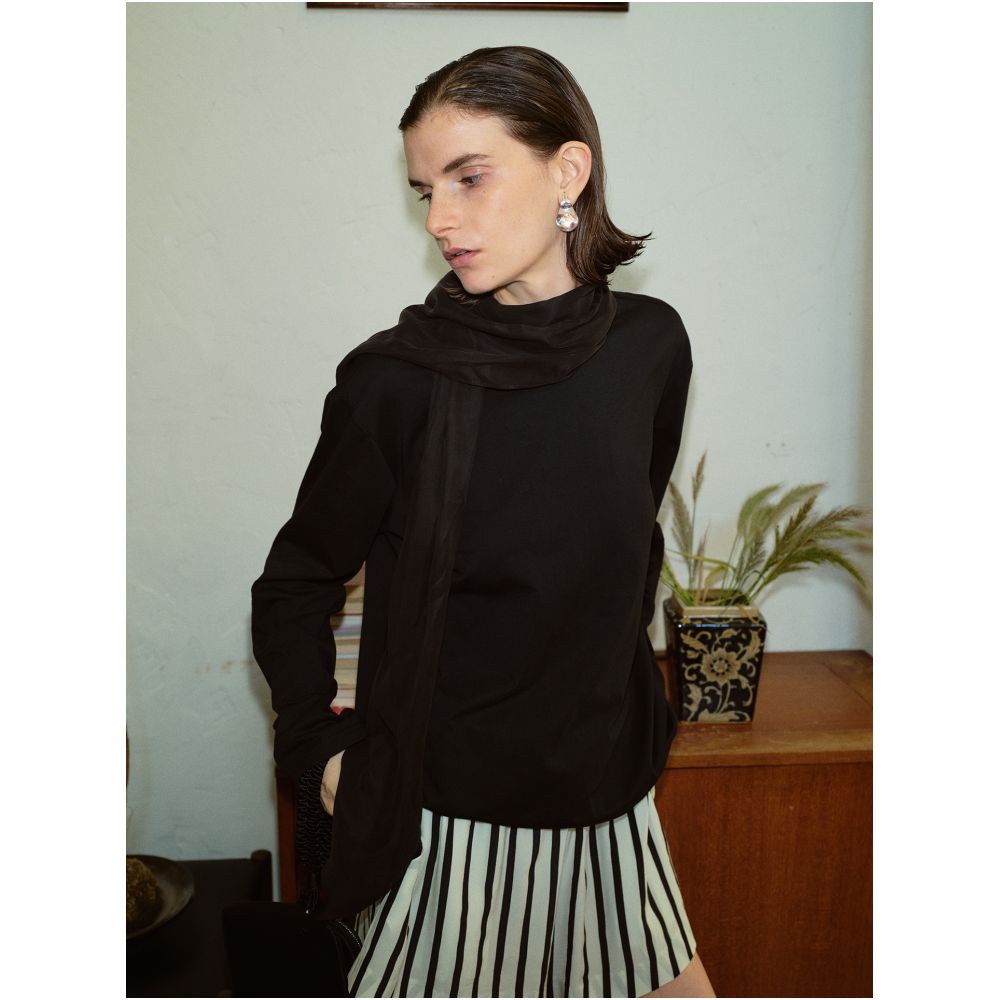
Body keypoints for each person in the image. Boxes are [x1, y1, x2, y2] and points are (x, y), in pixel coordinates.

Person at [251, 45, 717, 998]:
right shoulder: (394, 382)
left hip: (610, 800)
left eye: (469, 178)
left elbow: (630, 548)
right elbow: (294, 584)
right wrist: (317, 748)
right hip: (450, 825)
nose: (440, 220)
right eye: (427, 191)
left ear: (568, 171)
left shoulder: (652, 347)